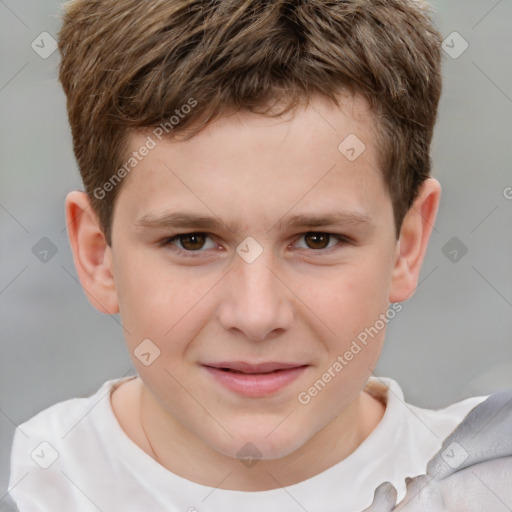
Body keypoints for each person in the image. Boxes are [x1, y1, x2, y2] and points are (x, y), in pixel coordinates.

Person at [6, 0, 511, 510]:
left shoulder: (484, 484)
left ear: (407, 247)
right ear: (99, 256)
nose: (256, 315)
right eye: (193, 241)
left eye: (318, 239)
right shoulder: (43, 482)